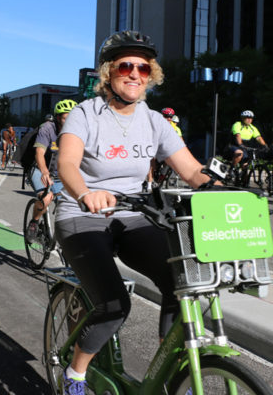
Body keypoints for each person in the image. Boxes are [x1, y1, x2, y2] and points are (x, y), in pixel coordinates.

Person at [54, 30, 214, 393]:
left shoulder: (155, 120)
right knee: (114, 304)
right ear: (109, 72)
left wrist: (224, 188)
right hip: (82, 215)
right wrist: (86, 194)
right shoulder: (85, 114)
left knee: (181, 283)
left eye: (143, 68)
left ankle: (167, 373)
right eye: (126, 66)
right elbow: (67, 164)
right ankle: (75, 374)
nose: (135, 74)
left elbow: (192, 170)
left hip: (133, 214)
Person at [25, 99, 77, 239]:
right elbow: (39, 153)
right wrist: (44, 171)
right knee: (46, 198)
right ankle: (34, 222)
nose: (70, 121)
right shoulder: (47, 128)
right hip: (39, 169)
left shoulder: (76, 130)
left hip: (60, 173)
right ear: (58, 118)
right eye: (66, 118)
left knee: (73, 204)